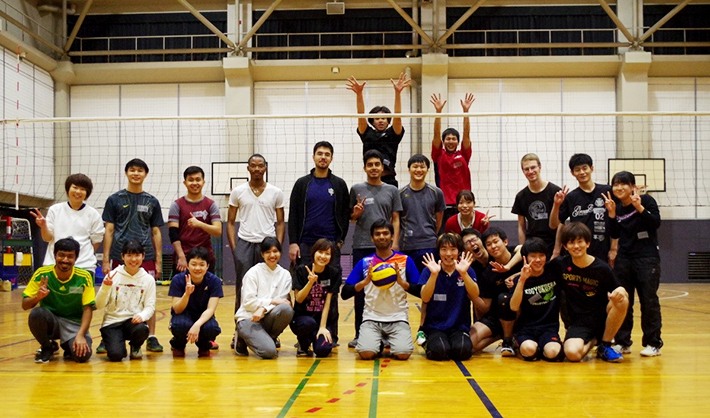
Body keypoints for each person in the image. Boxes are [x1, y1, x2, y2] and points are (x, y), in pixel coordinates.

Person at [102, 158, 164, 353]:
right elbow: (109, 230)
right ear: (126, 173)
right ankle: (108, 334)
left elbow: (156, 232)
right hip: (120, 254)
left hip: (145, 256)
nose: (136, 173)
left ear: (145, 174)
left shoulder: (151, 201)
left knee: (148, 297)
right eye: (132, 170)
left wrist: (159, 260)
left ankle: (151, 335)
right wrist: (105, 259)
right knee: (112, 294)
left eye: (140, 170)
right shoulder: (114, 199)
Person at [227, 154, 285, 351]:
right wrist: (235, 249)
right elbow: (230, 222)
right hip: (245, 242)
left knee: (271, 289)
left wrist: (278, 245)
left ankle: (271, 333)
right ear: (248, 168)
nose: (257, 169)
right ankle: (239, 334)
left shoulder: (276, 192)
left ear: (266, 168)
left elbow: (280, 222)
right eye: (253, 165)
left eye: (261, 165)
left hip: (267, 243)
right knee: (242, 291)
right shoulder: (238, 192)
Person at [341, 220, 420, 360]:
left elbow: (420, 291)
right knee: (366, 353)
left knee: (403, 354)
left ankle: (384, 341)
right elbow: (345, 293)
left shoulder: (405, 260)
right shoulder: (365, 262)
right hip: (372, 318)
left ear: (392, 236)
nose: (381, 237)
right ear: (372, 238)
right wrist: (364, 282)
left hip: (398, 318)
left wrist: (402, 283)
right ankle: (378, 342)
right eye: (377, 234)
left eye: (385, 233)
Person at [604, 171, 663, 357]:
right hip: (624, 258)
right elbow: (614, 234)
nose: (619, 188)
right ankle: (623, 342)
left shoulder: (646, 201)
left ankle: (653, 344)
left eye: (623, 184)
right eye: (615, 184)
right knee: (623, 301)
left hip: (647, 258)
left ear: (632, 186)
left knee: (649, 301)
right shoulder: (616, 206)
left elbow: (655, 223)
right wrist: (612, 214)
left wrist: (639, 208)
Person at [551, 222, 629, 362]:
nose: (576, 246)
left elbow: (619, 288)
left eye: (580, 242)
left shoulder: (601, 268)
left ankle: (604, 345)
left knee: (623, 299)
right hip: (579, 323)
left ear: (587, 243)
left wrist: (620, 292)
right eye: (571, 243)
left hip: (602, 319)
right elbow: (536, 269)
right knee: (572, 354)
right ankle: (594, 341)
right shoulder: (560, 265)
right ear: (565, 246)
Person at [348, 149, 403, 348]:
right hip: (362, 245)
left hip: (386, 248)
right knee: (361, 290)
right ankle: (358, 334)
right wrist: (355, 214)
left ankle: (387, 334)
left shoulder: (392, 190)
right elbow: (350, 218)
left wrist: (395, 242)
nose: (373, 168)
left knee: (387, 290)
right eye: (369, 165)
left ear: (382, 167)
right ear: (365, 168)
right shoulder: (356, 189)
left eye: (377, 164)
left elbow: (396, 218)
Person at [22, 237, 95, 363]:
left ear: (76, 258)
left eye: (70, 256)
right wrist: (37, 298)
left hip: (74, 324)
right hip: (52, 322)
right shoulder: (42, 274)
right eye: (61, 255)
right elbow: (24, 305)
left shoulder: (84, 277)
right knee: (37, 313)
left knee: (83, 356)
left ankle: (68, 346)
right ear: (54, 255)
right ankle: (47, 346)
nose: (65, 260)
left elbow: (88, 308)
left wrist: (81, 335)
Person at [288, 141, 350, 267]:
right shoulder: (302, 184)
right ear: (313, 157)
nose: (323, 157)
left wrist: (340, 240)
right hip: (305, 244)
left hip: (330, 244)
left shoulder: (339, 184)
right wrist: (293, 243)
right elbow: (293, 215)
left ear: (331, 158)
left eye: (327, 154)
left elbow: (344, 215)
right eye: (319, 154)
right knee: (304, 283)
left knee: (331, 283)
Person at [30, 173, 104, 278]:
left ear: (87, 193)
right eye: (75, 187)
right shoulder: (55, 210)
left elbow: (96, 241)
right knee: (50, 294)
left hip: (83, 267)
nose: (78, 191)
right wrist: (43, 226)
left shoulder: (93, 214)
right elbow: (47, 238)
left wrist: (82, 255)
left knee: (81, 294)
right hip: (53, 265)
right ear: (68, 189)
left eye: (82, 189)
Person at [419, 233, 479, 361]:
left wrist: (464, 274)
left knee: (462, 350)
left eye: (453, 249)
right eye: (444, 249)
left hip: (459, 327)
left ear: (458, 251)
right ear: (439, 251)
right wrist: (434, 275)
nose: (448, 254)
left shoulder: (467, 270)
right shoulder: (430, 270)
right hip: (434, 327)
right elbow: (425, 297)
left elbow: (475, 294)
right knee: (440, 351)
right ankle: (428, 342)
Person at [549, 153, 618, 264]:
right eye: (577, 170)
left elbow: (616, 224)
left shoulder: (607, 192)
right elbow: (554, 225)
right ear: (572, 173)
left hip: (602, 250)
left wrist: (614, 248)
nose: (582, 172)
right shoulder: (571, 197)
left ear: (591, 169)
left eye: (585, 168)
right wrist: (556, 205)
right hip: (577, 250)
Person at [95, 240, 156, 362]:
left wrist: (142, 315)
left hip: (133, 322)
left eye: (137, 255)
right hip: (112, 322)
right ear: (122, 256)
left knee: (142, 329)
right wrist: (106, 288)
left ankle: (136, 346)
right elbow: (98, 305)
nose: (133, 259)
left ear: (143, 256)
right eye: (129, 255)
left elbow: (150, 307)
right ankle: (111, 340)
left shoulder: (148, 279)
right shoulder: (112, 276)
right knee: (116, 355)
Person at [346, 73, 411, 187]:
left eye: (384, 118)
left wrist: (398, 93)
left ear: (388, 120)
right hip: (371, 180)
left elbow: (397, 116)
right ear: (372, 121)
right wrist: (359, 94)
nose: (381, 121)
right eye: (377, 118)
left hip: (389, 180)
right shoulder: (367, 133)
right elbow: (361, 115)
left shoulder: (393, 133)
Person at [235, 237, 294, 359]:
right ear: (262, 254)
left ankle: (268, 337)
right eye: (267, 252)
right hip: (249, 317)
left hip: (267, 317)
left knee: (286, 310)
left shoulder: (285, 275)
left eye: (275, 251)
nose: (272, 255)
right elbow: (248, 303)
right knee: (269, 352)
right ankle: (241, 337)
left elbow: (282, 302)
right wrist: (271, 301)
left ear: (280, 253)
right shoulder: (253, 273)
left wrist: (263, 308)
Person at [470, 227, 522, 357]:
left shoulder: (518, 255)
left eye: (496, 241)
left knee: (504, 298)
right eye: (488, 244)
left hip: (520, 314)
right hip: (496, 317)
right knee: (469, 345)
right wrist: (471, 294)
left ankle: (508, 340)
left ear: (505, 242)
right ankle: (503, 334)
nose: (493, 246)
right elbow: (485, 306)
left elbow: (523, 248)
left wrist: (510, 269)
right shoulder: (488, 273)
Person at [509, 238, 562, 361]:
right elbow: (514, 307)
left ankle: (544, 347)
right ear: (525, 258)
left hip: (549, 327)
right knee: (529, 350)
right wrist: (522, 280)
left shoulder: (554, 272)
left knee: (553, 352)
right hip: (526, 329)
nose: (538, 260)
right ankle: (517, 343)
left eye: (541, 256)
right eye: (533, 256)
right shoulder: (519, 280)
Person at [168, 246, 224, 358]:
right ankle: (178, 344)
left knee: (211, 328)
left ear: (207, 266)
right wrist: (187, 294)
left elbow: (210, 309)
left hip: (203, 315)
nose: (197, 268)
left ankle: (204, 345)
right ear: (187, 265)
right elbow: (177, 309)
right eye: (194, 264)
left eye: (202, 264)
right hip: (183, 314)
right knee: (180, 325)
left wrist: (197, 325)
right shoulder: (178, 280)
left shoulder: (214, 281)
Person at [290, 239, 341, 357]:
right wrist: (310, 283)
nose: (323, 256)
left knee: (323, 350)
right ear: (314, 253)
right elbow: (298, 299)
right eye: (320, 252)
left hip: (320, 321)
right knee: (308, 323)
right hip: (302, 319)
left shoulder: (334, 274)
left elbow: (328, 303)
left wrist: (323, 327)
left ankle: (316, 338)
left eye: (327, 254)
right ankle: (303, 343)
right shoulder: (301, 270)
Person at [430, 92, 475, 225]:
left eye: (453, 138)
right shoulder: (438, 155)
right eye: (448, 139)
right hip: (445, 204)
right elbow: (436, 134)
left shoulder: (464, 155)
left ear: (457, 141)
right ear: (443, 142)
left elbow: (467, 134)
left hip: (463, 204)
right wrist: (438, 112)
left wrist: (465, 112)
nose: (450, 141)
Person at [168, 166, 222, 273]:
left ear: (203, 182)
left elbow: (218, 231)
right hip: (184, 259)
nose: (194, 183)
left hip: (205, 259)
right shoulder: (177, 205)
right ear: (185, 182)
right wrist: (181, 256)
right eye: (191, 180)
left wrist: (200, 224)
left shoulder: (211, 205)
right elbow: (173, 234)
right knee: (182, 289)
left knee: (206, 290)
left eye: (198, 179)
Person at [398, 154, 446, 273]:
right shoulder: (400, 194)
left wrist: (429, 234)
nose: (418, 170)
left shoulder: (437, 193)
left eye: (422, 167)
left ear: (427, 170)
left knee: (428, 281)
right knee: (409, 283)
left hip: (429, 245)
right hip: (407, 245)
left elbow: (439, 219)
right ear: (409, 169)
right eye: (415, 167)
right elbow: (396, 220)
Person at [512, 153, 562, 257]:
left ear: (540, 167)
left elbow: (561, 224)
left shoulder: (555, 191)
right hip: (533, 245)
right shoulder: (521, 196)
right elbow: (521, 226)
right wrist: (523, 248)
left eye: (533, 167)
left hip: (553, 243)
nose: (530, 171)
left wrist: (556, 251)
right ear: (523, 172)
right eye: (526, 169)